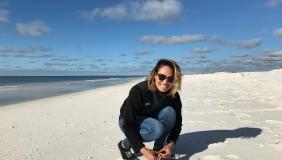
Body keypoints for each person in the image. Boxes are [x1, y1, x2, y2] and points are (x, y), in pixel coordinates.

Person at [118, 59, 182, 160]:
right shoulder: (139, 91)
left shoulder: (173, 95)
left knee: (170, 112)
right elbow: (128, 123)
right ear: (155, 75)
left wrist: (170, 145)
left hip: (150, 116)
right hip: (128, 120)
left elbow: (178, 123)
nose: (165, 82)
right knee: (157, 129)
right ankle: (124, 145)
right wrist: (143, 150)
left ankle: (159, 149)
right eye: (162, 77)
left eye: (171, 79)